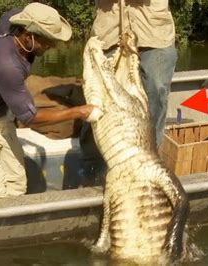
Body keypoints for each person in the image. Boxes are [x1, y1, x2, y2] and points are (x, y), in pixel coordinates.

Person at [0, 3, 95, 201]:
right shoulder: (6, 64)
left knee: (16, 184)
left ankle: (7, 229)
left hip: (0, 114)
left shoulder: (15, 21)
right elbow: (31, 117)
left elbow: (16, 11)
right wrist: (79, 112)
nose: (52, 46)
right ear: (28, 36)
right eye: (48, 41)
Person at [79, 0, 177, 181]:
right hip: (108, 34)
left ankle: (149, 160)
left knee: (156, 91)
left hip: (154, 32)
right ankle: (93, 167)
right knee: (98, 96)